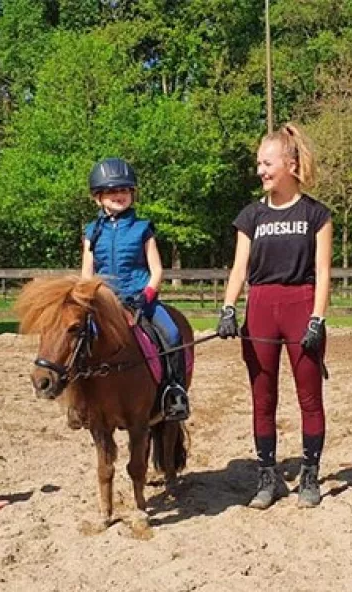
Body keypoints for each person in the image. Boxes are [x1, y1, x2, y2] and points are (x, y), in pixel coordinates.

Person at [217, 123, 333, 509]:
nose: (260, 171)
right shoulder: (250, 216)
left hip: (301, 305)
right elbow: (238, 269)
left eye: (267, 163)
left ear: (291, 164)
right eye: (258, 164)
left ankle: (310, 477)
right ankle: (267, 477)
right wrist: (229, 308)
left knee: (309, 398)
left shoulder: (316, 214)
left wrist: (317, 319)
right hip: (261, 308)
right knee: (262, 399)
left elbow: (323, 272)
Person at [80, 157, 190, 421]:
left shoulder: (143, 229)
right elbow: (87, 272)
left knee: (173, 335)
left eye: (124, 190)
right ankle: (79, 400)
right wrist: (90, 298)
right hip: (105, 303)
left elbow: (157, 271)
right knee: (78, 339)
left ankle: (173, 392)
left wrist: (146, 296)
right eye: (112, 191)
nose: (119, 195)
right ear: (98, 198)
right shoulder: (92, 232)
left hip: (141, 299)